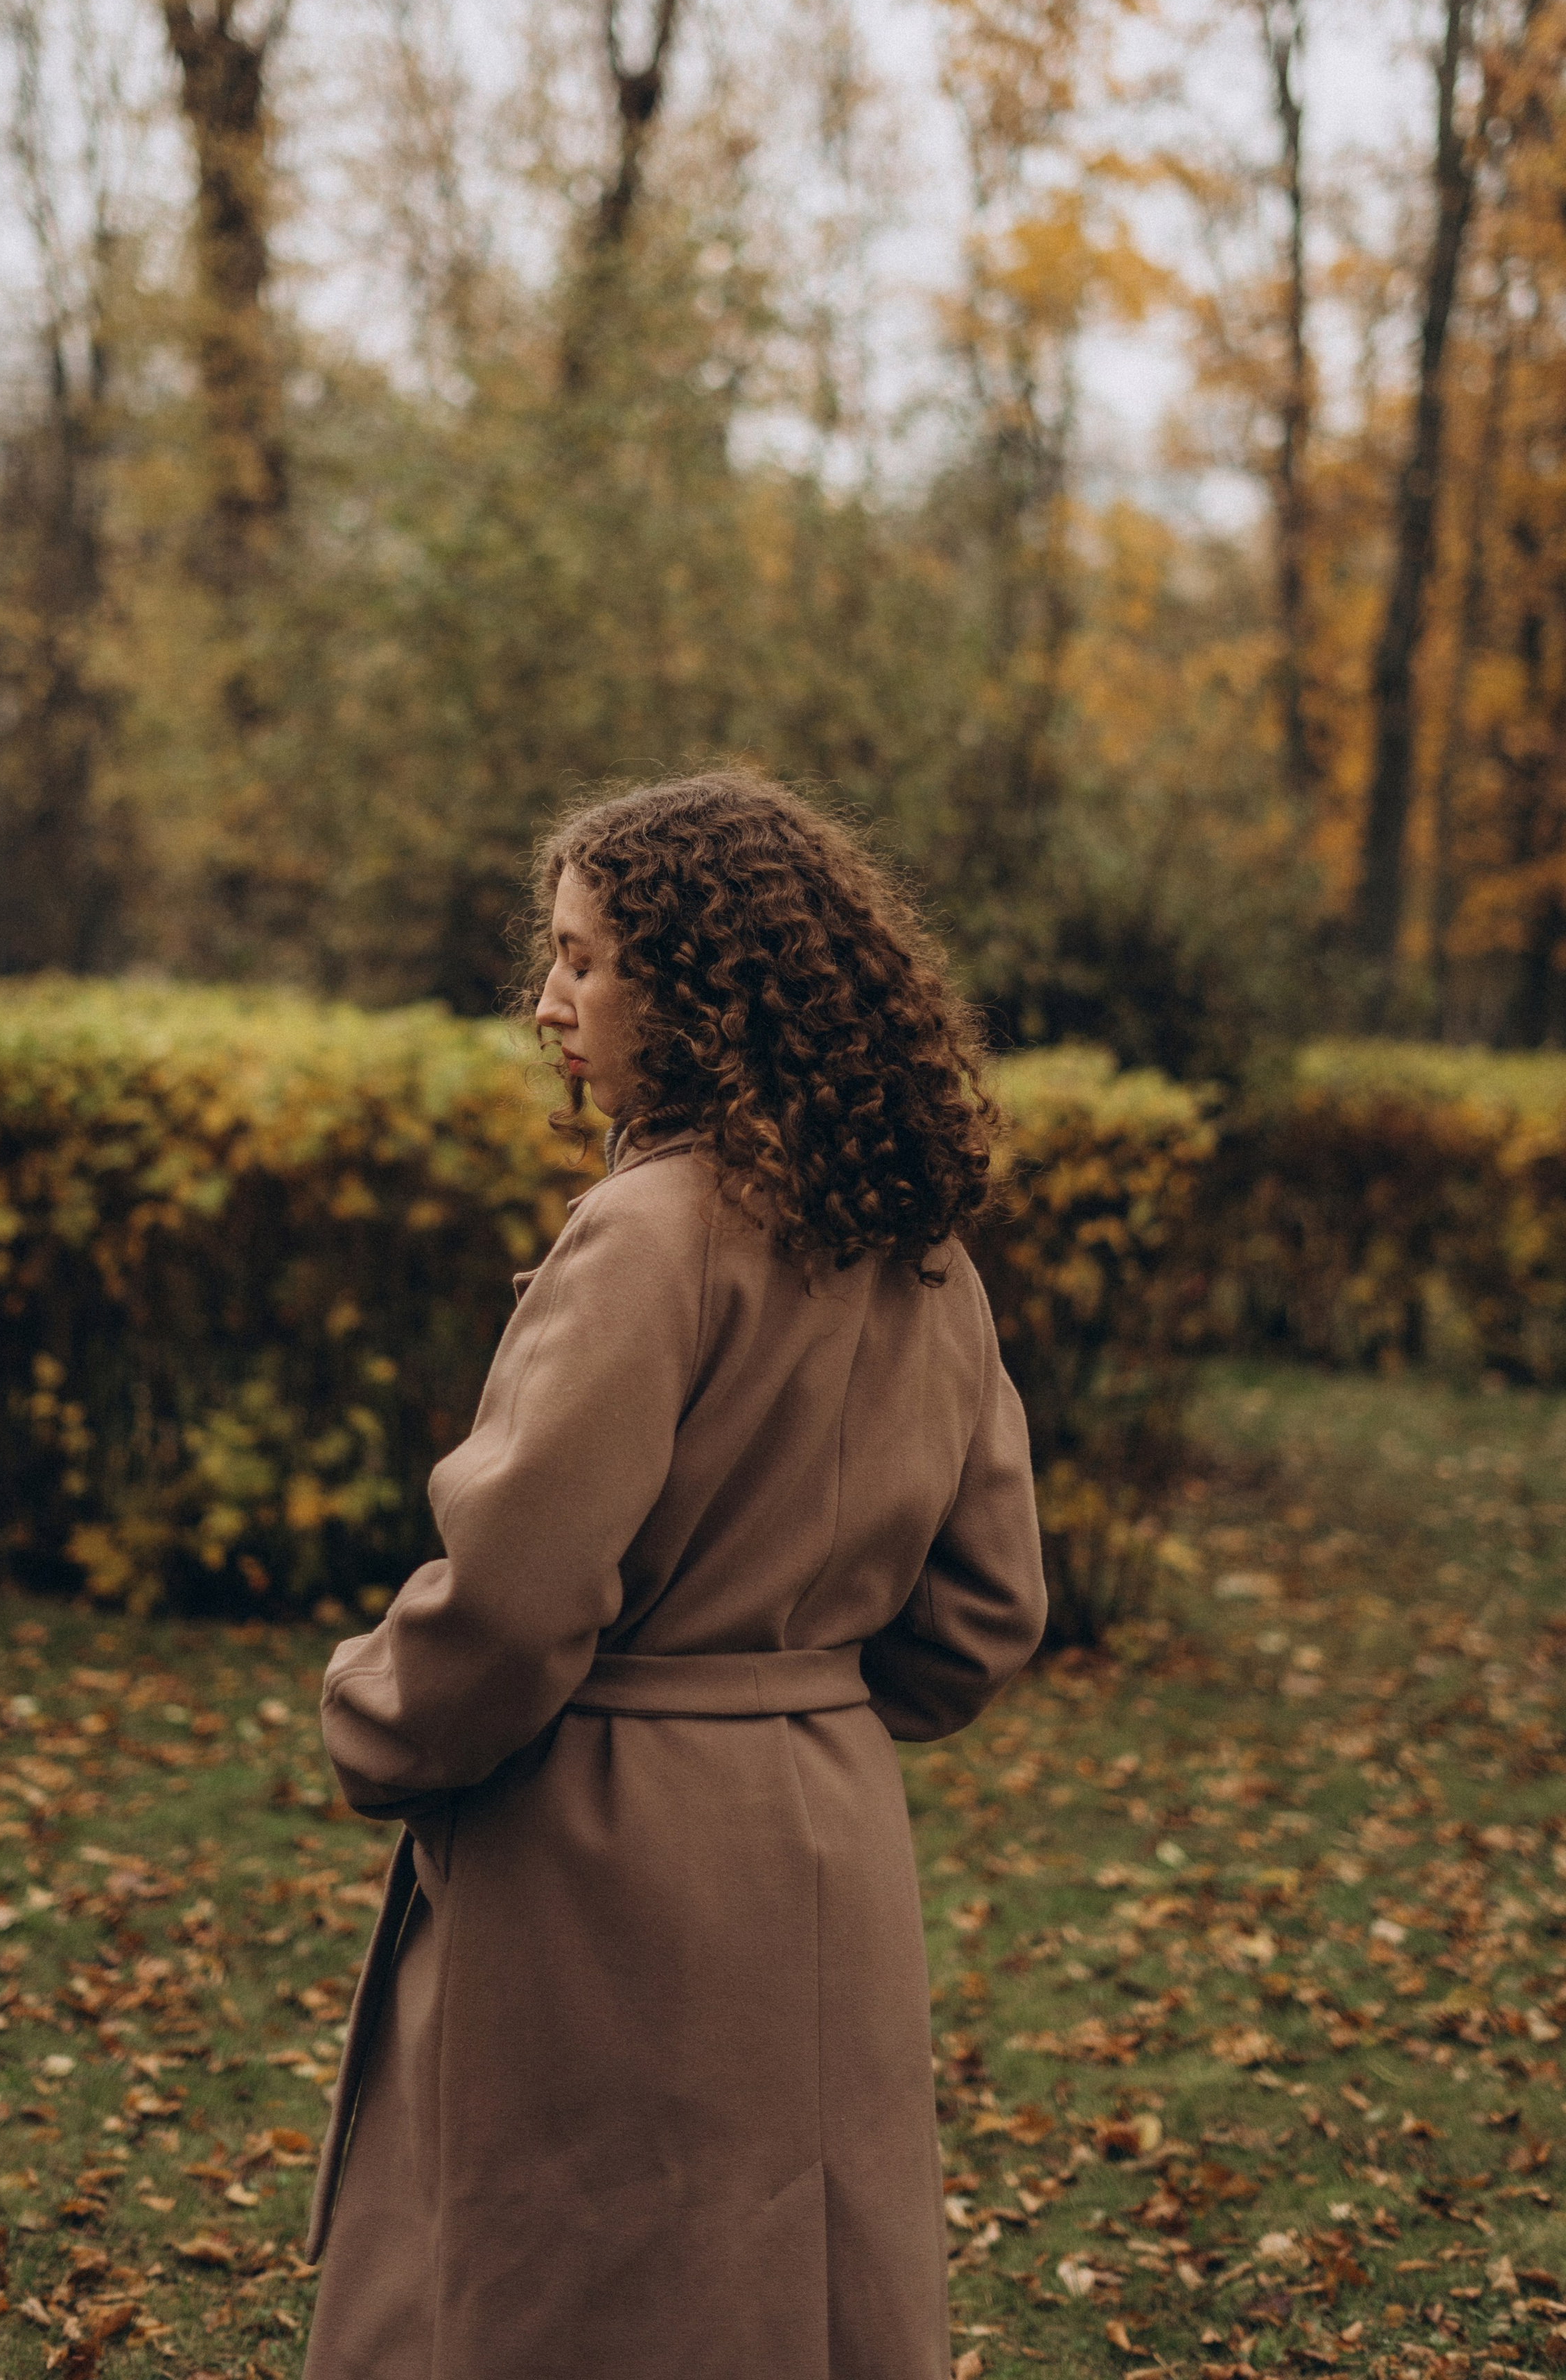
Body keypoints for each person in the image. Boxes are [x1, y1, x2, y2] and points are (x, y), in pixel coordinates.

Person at [301, 771, 1046, 2380]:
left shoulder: (646, 1233)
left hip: (602, 1858)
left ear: (702, 987)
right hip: (827, 1839)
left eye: (586, 961)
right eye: (552, 957)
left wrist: (371, 1717)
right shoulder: (916, 1239)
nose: (548, 1001)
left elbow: (511, 1601)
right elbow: (986, 1610)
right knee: (791, 2301)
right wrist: (803, 1697)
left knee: (574, 2305)